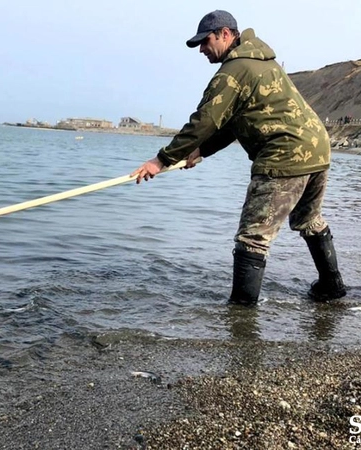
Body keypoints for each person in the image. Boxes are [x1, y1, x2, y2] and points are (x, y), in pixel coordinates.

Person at [132, 10, 346, 305]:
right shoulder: (261, 61)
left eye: (205, 42)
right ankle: (331, 287)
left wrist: (161, 160)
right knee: (308, 218)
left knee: (252, 237)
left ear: (224, 34)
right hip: (317, 148)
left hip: (284, 154)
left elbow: (204, 121)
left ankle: (241, 314)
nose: (202, 50)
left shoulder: (234, 71)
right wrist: (200, 151)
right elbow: (232, 123)